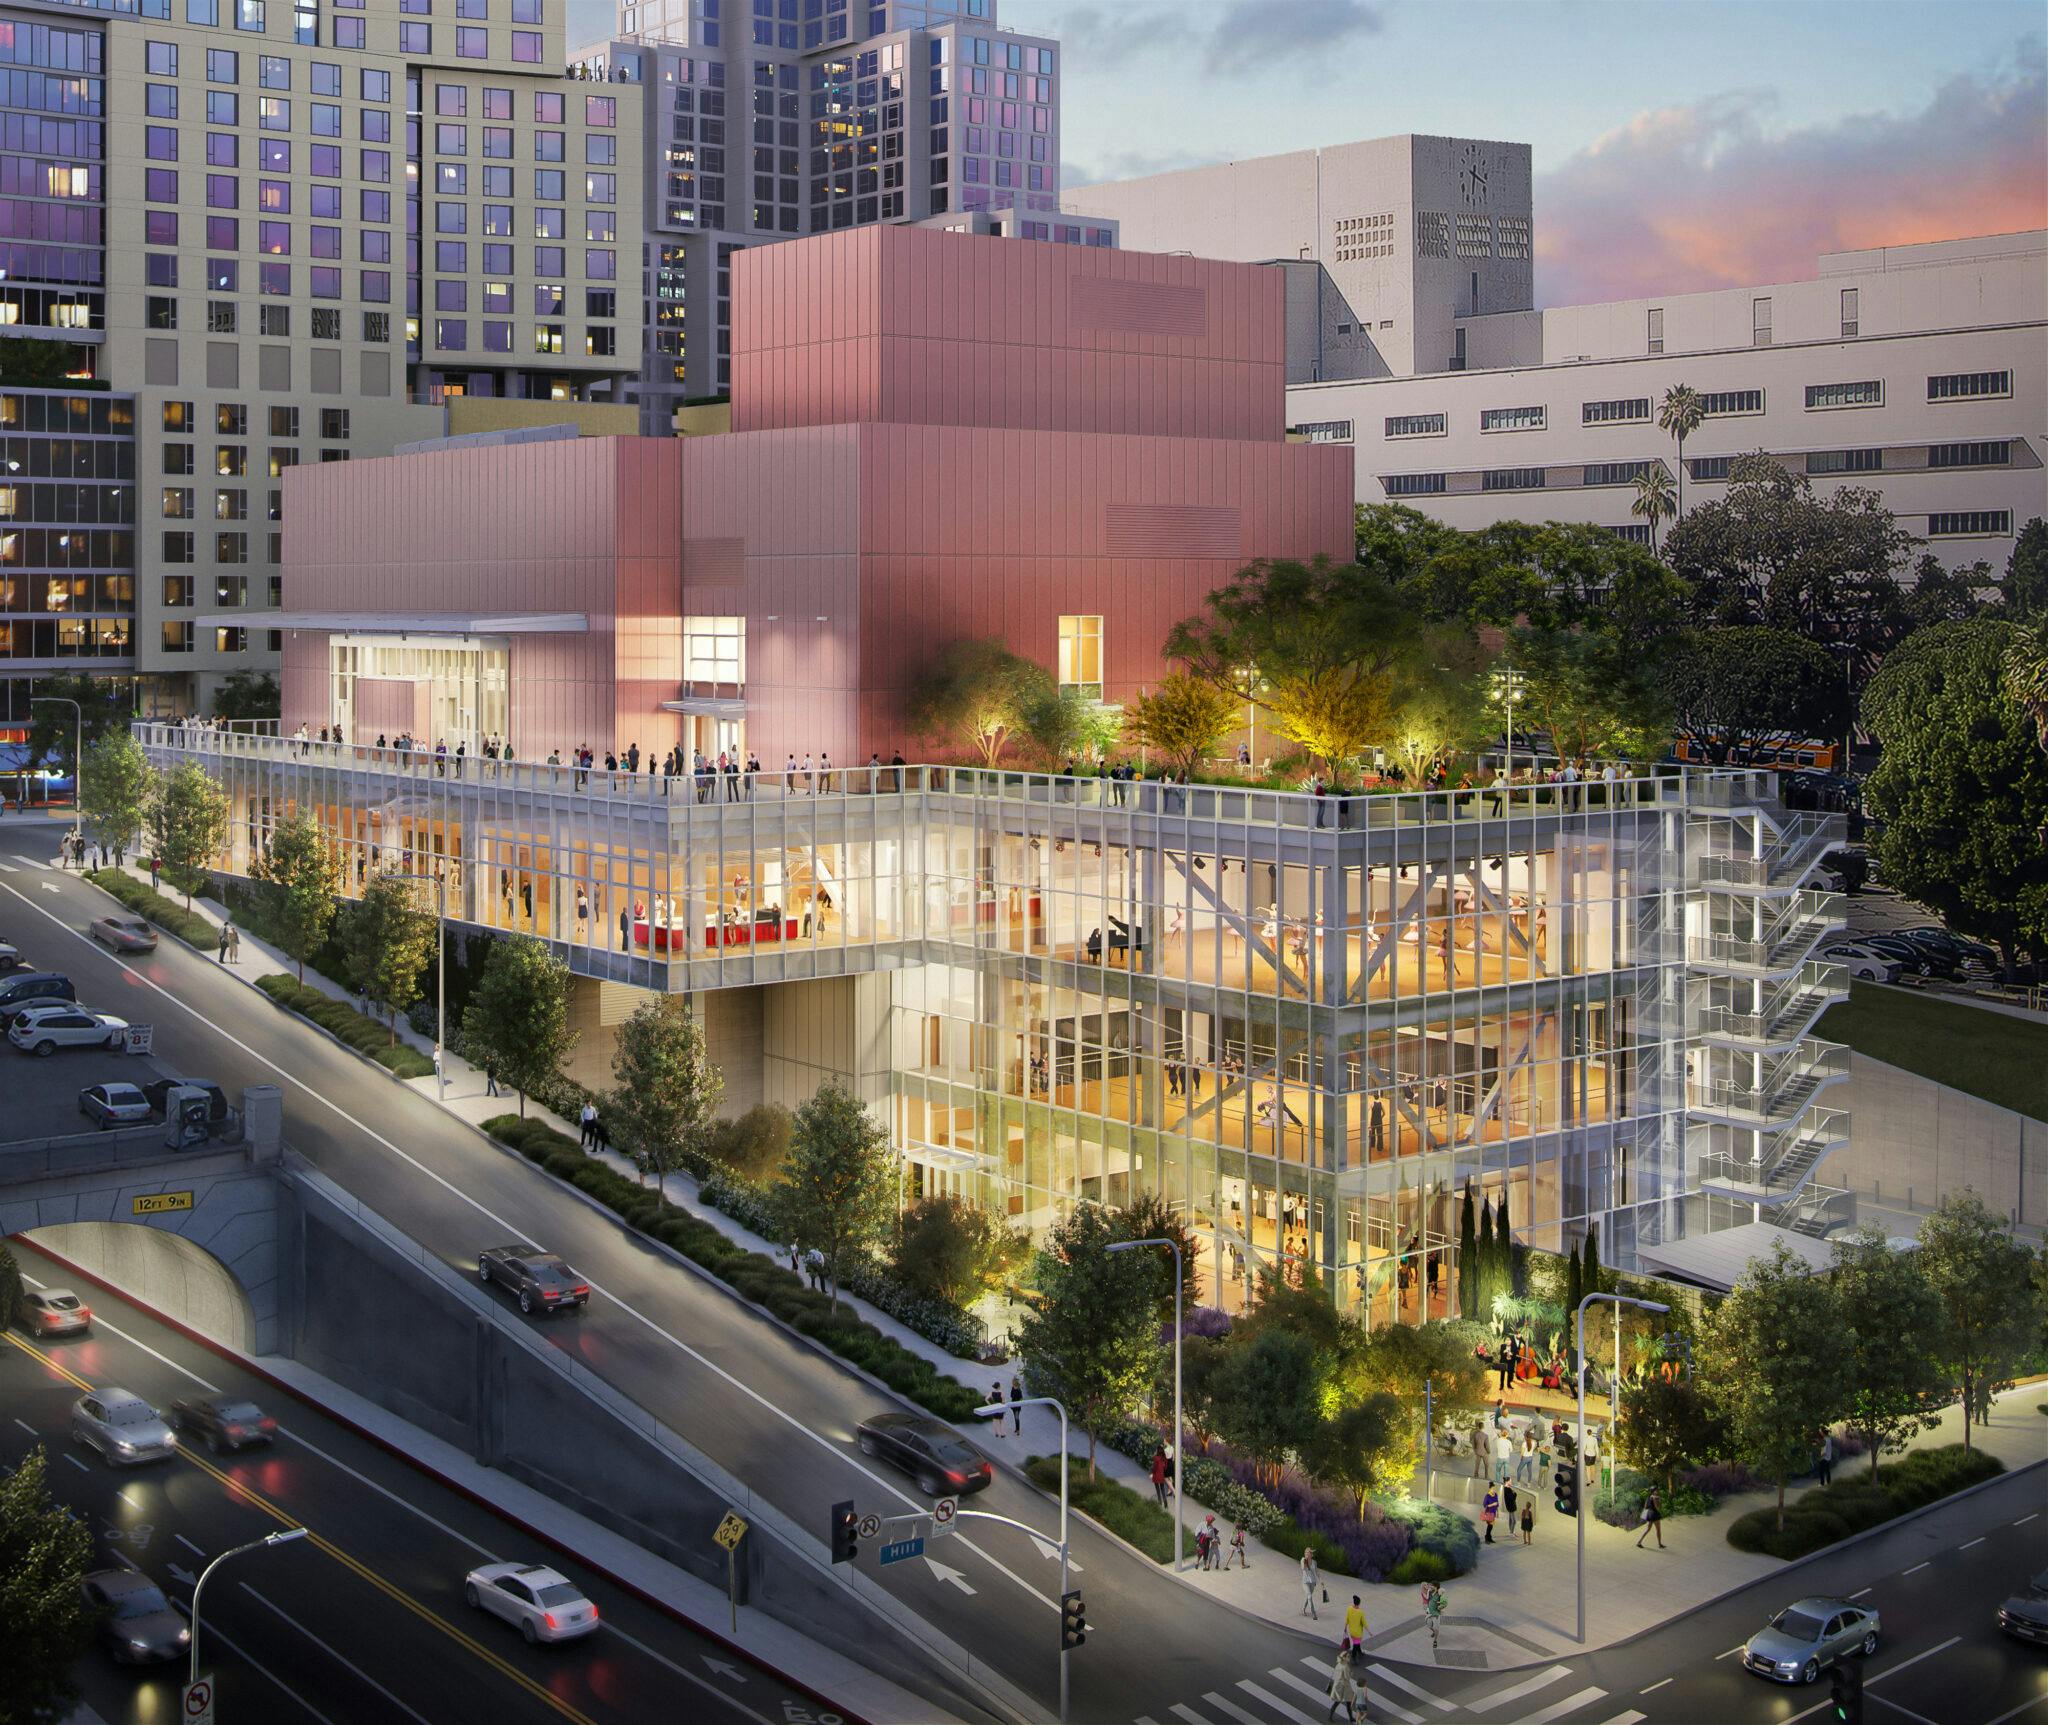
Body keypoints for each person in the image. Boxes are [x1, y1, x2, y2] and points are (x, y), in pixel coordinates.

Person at [1326, 1641, 1360, 1723]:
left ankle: (1332, 1716)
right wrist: (1351, 1674)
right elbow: (1347, 1677)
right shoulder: (1345, 1666)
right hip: (1344, 1687)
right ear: (1344, 1658)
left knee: (1340, 1702)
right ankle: (1349, 1717)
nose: (1349, 1658)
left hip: (1338, 1685)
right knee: (1345, 1703)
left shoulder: (1339, 1664)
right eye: (1348, 1657)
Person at [1636, 1485, 1664, 1550]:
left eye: (1657, 1490)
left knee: (1648, 1529)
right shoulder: (1655, 1498)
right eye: (1656, 1490)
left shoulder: (1648, 1497)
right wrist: (1659, 1501)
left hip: (1650, 1514)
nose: (1657, 1491)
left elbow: (1645, 1507)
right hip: (1654, 1514)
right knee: (1658, 1530)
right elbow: (1657, 1508)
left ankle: (1639, 1542)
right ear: (1653, 1491)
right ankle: (1659, 1544)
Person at [1421, 1578, 1445, 1648]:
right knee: (1429, 1626)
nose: (1430, 1586)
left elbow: (1444, 1602)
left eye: (1432, 1585)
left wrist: (1441, 1607)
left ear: (1436, 1586)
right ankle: (1434, 1632)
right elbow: (1426, 1597)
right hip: (1429, 1613)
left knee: (1436, 1628)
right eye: (1430, 1585)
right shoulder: (1430, 1593)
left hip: (1436, 1615)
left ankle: (1435, 1641)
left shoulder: (1439, 1594)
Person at [1299, 1546, 1320, 1618]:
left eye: (1310, 1553)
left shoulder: (1314, 1562)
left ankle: (1303, 1609)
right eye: (1307, 1553)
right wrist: (1305, 1561)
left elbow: (1316, 1572)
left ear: (1311, 1554)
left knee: (1308, 1597)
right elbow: (1303, 1569)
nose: (1308, 1554)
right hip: (1305, 1581)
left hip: (1313, 1582)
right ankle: (1313, 1612)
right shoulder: (1303, 1560)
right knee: (1310, 1596)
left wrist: (1321, 1580)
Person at [1149, 1445, 1170, 1509]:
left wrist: (1151, 1473)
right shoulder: (1164, 1458)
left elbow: (1154, 1467)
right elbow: (1166, 1467)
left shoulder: (1156, 1458)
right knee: (1162, 1489)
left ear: (1157, 1451)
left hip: (1156, 1475)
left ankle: (1160, 1502)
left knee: (1158, 1489)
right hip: (1162, 1476)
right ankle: (1165, 1503)